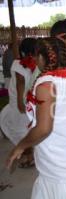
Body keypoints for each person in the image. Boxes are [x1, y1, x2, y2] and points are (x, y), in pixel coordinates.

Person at [6, 37, 66, 199]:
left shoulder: (46, 85)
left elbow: (43, 128)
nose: (34, 59)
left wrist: (20, 146)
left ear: (42, 57)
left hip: (61, 162)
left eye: (36, 55)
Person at [0, 38, 37, 168]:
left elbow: (21, 84)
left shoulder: (21, 64)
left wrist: (21, 104)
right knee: (25, 130)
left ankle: (30, 157)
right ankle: (31, 155)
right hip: (25, 103)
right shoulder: (29, 65)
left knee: (21, 131)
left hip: (21, 104)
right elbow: (21, 84)